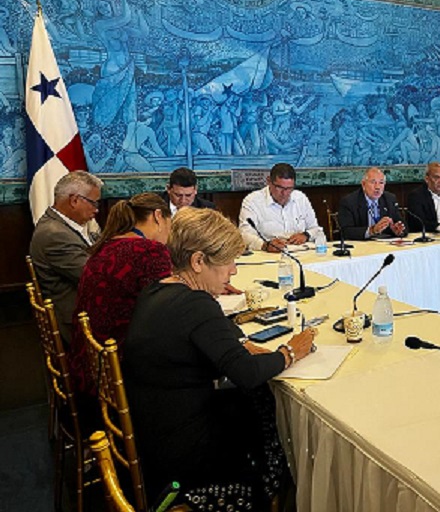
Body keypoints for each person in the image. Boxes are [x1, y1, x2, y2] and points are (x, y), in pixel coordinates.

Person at [123, 208, 315, 506]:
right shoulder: (195, 305)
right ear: (198, 261)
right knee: (264, 410)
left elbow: (206, 337)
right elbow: (246, 373)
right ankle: (272, 494)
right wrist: (291, 352)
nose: (234, 271)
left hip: (152, 431)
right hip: (183, 455)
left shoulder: (156, 289)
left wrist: (234, 335)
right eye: (228, 262)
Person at [69, 193, 173, 398]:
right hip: (118, 370)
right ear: (158, 216)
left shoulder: (109, 244)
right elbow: (167, 311)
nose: (170, 232)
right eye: (171, 224)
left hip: (90, 363)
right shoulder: (149, 250)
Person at [29, 171, 103, 344]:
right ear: (74, 200)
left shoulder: (60, 225)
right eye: (93, 203)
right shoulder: (55, 235)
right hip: (75, 320)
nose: (97, 209)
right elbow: (94, 277)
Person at [238, 163, 321, 252]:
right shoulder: (252, 201)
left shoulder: (300, 198)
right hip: (267, 255)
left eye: (289, 188)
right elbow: (244, 235)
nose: (284, 193)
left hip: (300, 252)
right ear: (269, 181)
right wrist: (265, 245)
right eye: (280, 187)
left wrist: (306, 235)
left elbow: (316, 229)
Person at [338, 167, 407, 240]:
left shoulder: (390, 199)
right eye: (373, 182)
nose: (377, 187)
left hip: (384, 245)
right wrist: (372, 230)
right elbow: (346, 231)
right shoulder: (349, 202)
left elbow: (403, 226)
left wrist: (397, 230)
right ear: (363, 184)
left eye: (381, 183)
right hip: (361, 246)